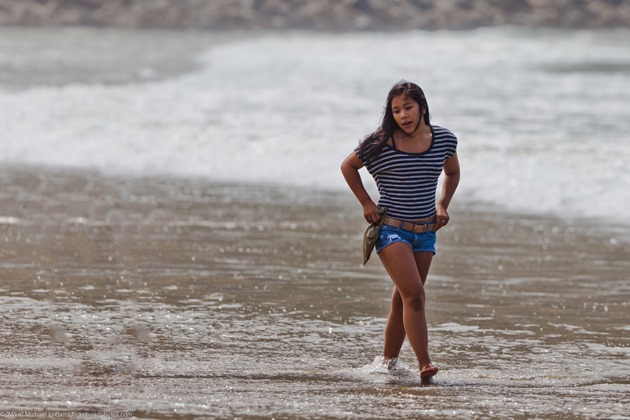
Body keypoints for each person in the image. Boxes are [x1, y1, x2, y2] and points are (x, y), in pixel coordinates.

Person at [340, 81, 460, 384]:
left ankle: (388, 362)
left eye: (407, 107)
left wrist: (442, 204)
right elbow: (348, 167)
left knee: (403, 298)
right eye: (395, 110)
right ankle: (425, 364)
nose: (402, 115)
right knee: (415, 294)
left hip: (425, 232)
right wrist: (366, 202)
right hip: (391, 230)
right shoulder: (380, 142)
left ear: (422, 107)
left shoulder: (443, 139)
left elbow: (453, 172)